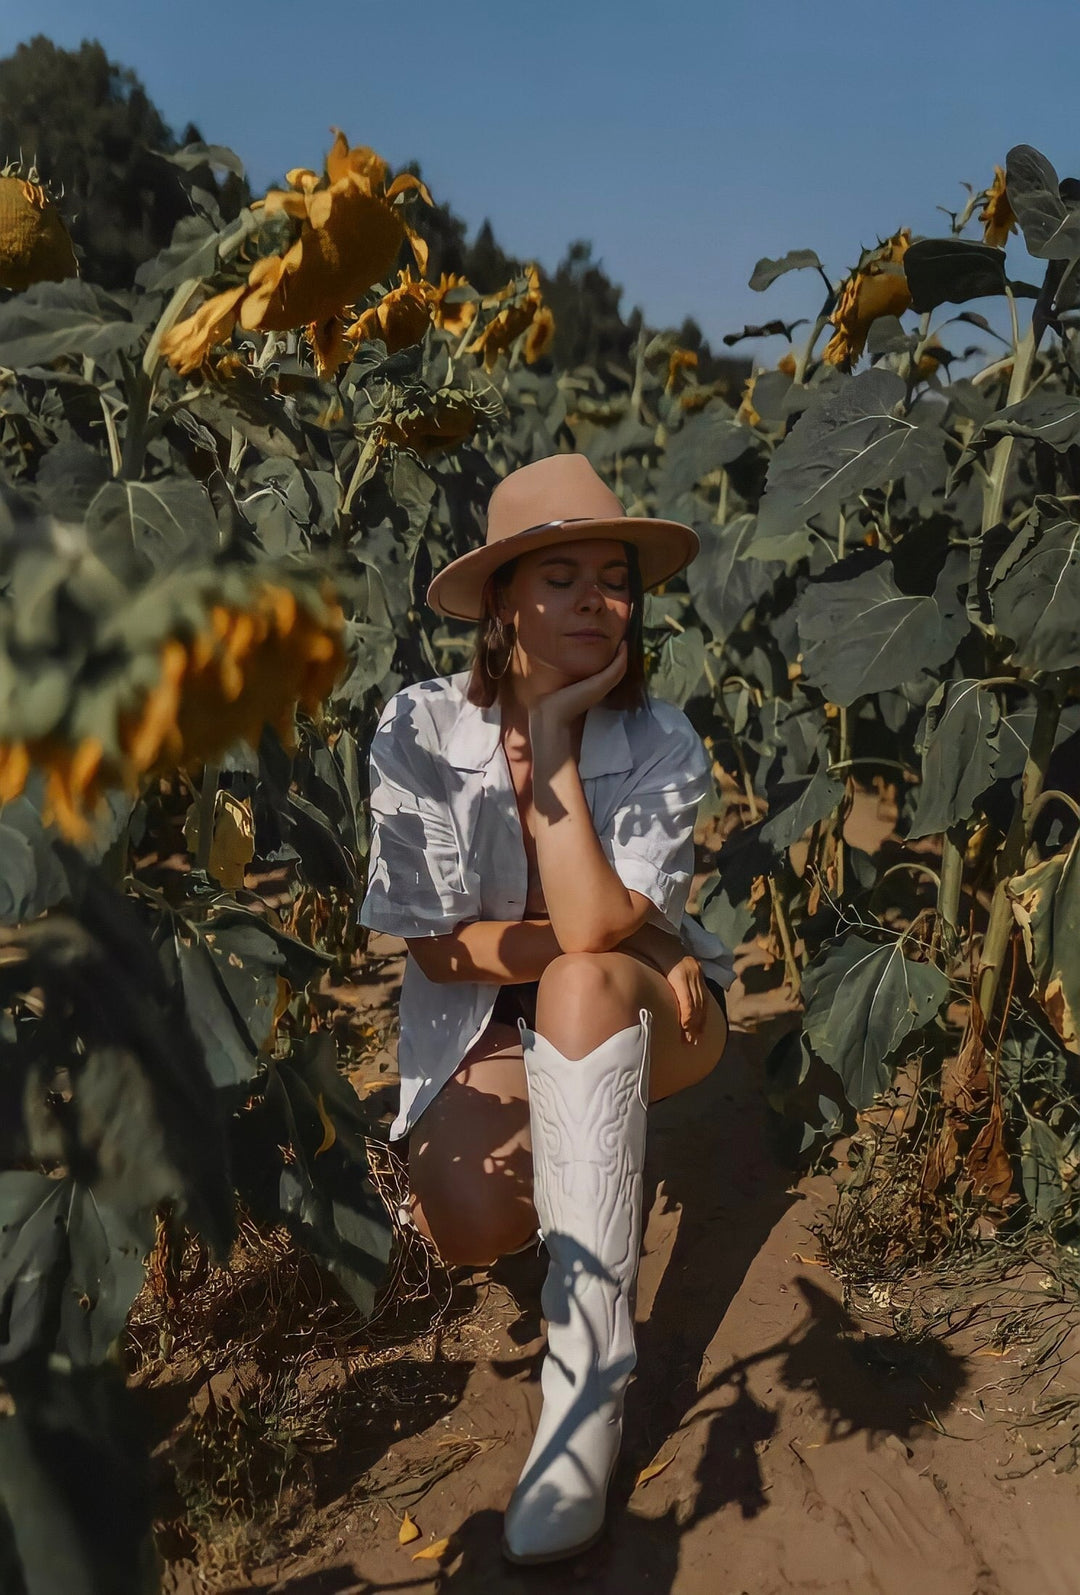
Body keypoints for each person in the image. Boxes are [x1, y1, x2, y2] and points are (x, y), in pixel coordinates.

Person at [358, 453, 734, 1565]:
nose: (595, 600)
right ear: (505, 601)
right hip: (481, 1016)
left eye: (613, 578)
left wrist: (559, 739)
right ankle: (576, 1183)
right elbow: (439, 943)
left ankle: (590, 1376)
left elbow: (588, 943)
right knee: (473, 1223)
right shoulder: (422, 726)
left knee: (579, 978)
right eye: (560, 576)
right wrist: (632, 926)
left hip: (636, 1012)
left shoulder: (659, 738)